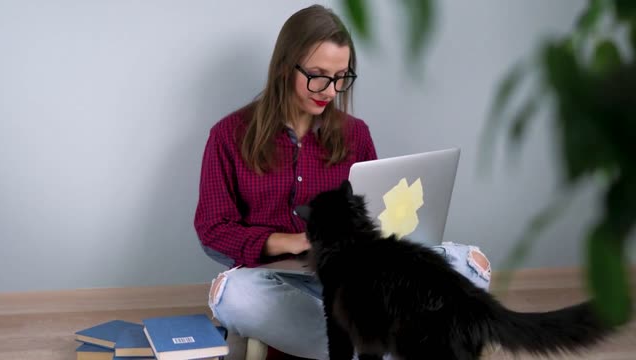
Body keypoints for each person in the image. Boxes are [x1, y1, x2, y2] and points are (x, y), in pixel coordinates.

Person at [194, 4, 493, 359]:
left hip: (360, 281)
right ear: (284, 67)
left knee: (470, 263)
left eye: (341, 77)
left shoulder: (356, 135)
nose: (330, 90)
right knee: (231, 295)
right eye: (318, 75)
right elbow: (213, 230)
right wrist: (285, 241)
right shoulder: (228, 136)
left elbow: (378, 215)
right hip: (284, 282)